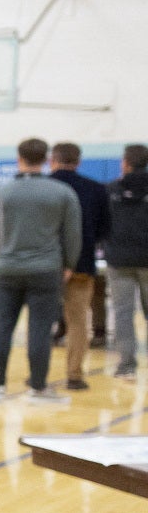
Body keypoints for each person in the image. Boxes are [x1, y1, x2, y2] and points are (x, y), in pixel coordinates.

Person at [0, 137, 79, 401]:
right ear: (47, 159)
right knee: (40, 329)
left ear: (19, 158)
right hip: (46, 268)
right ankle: (37, 387)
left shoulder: (1, 192)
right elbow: (72, 234)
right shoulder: (62, 192)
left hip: (7, 268)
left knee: (2, 327)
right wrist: (69, 264)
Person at [49, 142, 110, 390]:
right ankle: (74, 375)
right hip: (82, 263)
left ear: (52, 160)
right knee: (78, 323)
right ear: (78, 161)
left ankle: (38, 376)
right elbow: (105, 229)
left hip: (47, 263)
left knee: (40, 321)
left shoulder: (43, 187)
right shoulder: (96, 189)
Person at [108, 144, 148, 381]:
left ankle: (126, 365)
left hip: (118, 259)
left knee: (123, 313)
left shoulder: (112, 189)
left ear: (125, 162)